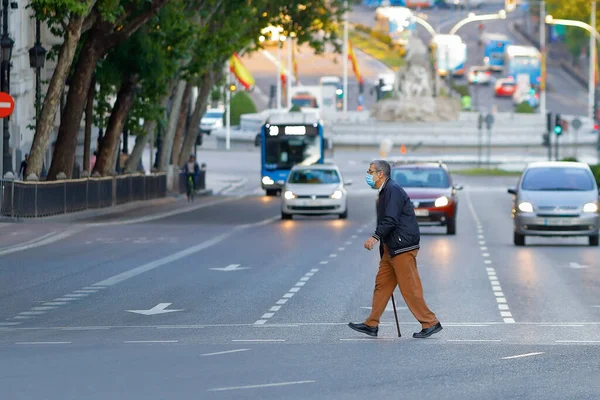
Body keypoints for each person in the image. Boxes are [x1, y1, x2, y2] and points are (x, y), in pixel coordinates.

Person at [348, 160, 442, 339]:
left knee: (410, 288)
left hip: (402, 246)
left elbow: (390, 219)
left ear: (380, 174)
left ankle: (430, 322)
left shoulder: (392, 190)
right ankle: (371, 324)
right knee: (382, 285)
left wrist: (375, 237)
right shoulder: (385, 191)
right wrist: (383, 247)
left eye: (370, 171)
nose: (368, 175)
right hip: (391, 247)